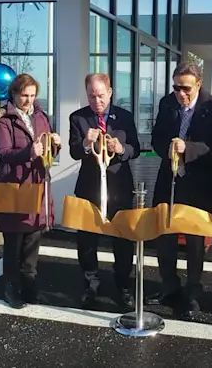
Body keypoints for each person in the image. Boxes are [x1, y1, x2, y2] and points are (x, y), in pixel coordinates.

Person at [148, 62, 212, 318]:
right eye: (176, 87)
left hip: (199, 182)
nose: (180, 94)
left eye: (186, 89)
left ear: (198, 84)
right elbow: (157, 136)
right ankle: (168, 285)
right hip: (170, 179)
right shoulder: (167, 103)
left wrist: (188, 149)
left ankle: (193, 291)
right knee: (165, 236)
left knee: (195, 240)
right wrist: (167, 148)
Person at [0, 74, 62, 309]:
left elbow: (47, 153)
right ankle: (11, 290)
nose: (29, 100)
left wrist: (55, 145)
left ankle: (29, 288)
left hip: (37, 185)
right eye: (24, 95)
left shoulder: (40, 116)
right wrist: (30, 151)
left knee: (33, 240)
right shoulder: (4, 120)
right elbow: (3, 153)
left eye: (32, 95)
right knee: (14, 243)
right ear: (14, 95)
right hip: (15, 188)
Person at [68, 73, 140, 310]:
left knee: (122, 239)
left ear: (109, 92)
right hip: (90, 187)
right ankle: (91, 284)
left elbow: (135, 149)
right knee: (87, 240)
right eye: (91, 96)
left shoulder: (125, 117)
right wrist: (87, 144)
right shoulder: (78, 118)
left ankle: (123, 285)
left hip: (119, 187)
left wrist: (121, 148)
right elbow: (74, 152)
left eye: (100, 95)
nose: (96, 100)